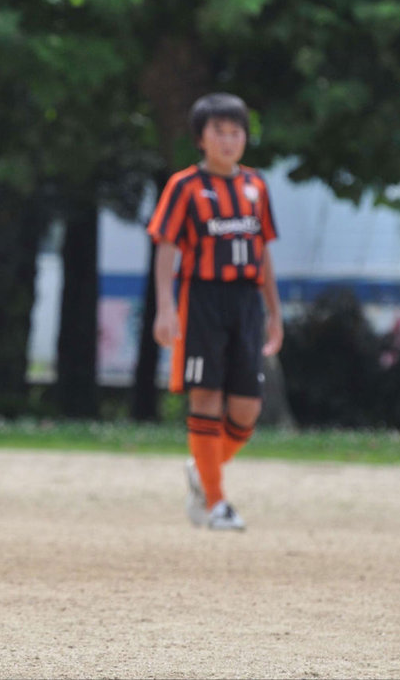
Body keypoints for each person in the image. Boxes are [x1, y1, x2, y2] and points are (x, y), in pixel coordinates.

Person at [147, 92, 283, 531]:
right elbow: (166, 248)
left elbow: (263, 254)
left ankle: (204, 471)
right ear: (200, 139)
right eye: (218, 132)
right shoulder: (185, 186)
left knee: (247, 409)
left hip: (246, 302)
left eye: (236, 131)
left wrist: (274, 313)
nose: (229, 140)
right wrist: (165, 309)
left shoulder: (256, 186)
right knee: (204, 396)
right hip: (202, 298)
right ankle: (216, 502)